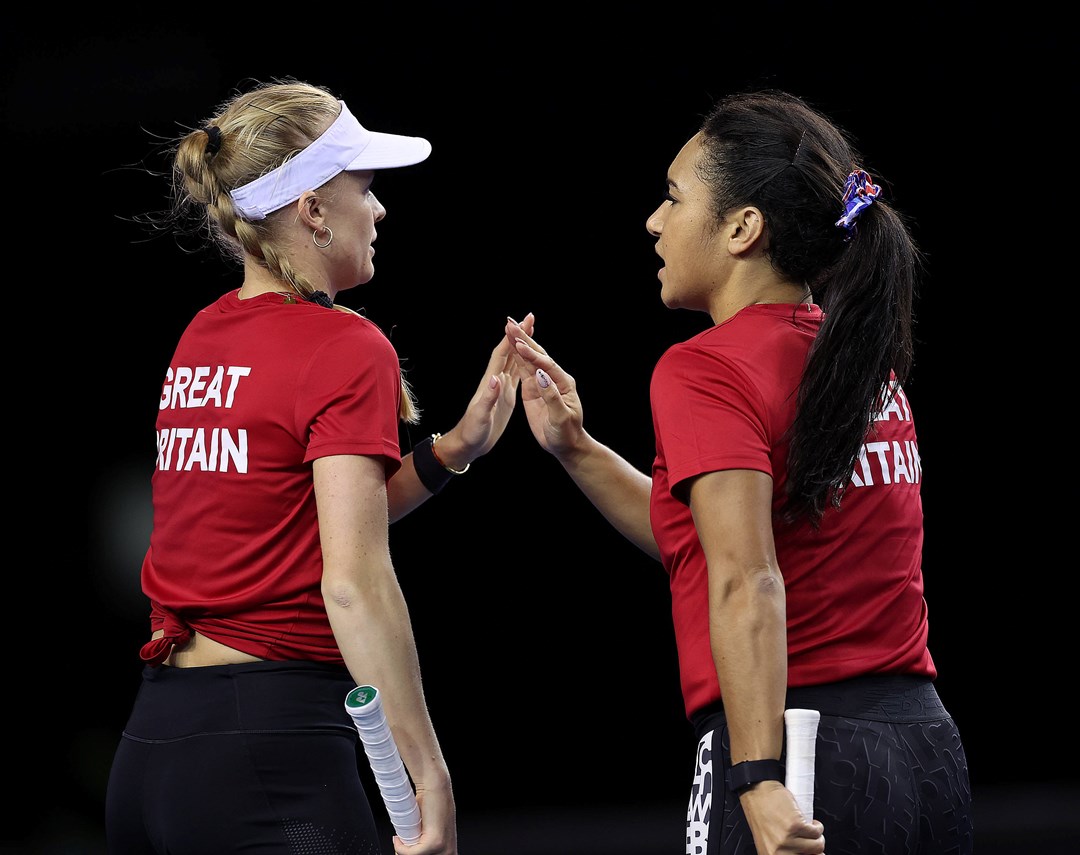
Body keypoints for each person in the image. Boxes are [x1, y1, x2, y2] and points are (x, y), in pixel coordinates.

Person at [505, 89, 972, 855]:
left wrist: (757, 776)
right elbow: (709, 544)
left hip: (800, 754)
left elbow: (746, 578)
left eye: (673, 197)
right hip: (924, 754)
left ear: (741, 228)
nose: (655, 222)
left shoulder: (705, 369)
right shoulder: (858, 362)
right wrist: (577, 447)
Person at [105, 78, 532, 855]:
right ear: (311, 209)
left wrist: (451, 452)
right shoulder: (343, 347)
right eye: (364, 187)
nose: (378, 209)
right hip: (268, 754)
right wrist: (427, 767)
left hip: (153, 750)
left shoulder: (203, 335)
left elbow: (293, 516)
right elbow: (352, 579)